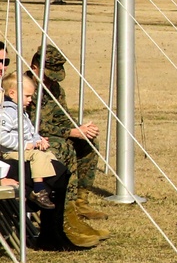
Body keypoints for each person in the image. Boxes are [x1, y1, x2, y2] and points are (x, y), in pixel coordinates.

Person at [29, 45, 109, 244]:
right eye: (48, 74)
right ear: (35, 67)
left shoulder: (54, 88)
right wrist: (71, 133)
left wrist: (81, 129)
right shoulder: (25, 87)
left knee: (87, 143)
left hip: (55, 136)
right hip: (35, 141)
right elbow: (32, 125)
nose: (51, 79)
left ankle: (80, 200)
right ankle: (67, 209)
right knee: (64, 147)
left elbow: (62, 117)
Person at [0, 71, 59, 209]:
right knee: (38, 156)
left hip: (26, 148)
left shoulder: (21, 112)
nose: (30, 99)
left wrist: (38, 140)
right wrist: (24, 145)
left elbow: (31, 131)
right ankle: (38, 189)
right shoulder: (6, 113)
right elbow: (2, 137)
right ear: (13, 93)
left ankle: (49, 185)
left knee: (49, 155)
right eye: (27, 96)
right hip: (12, 152)